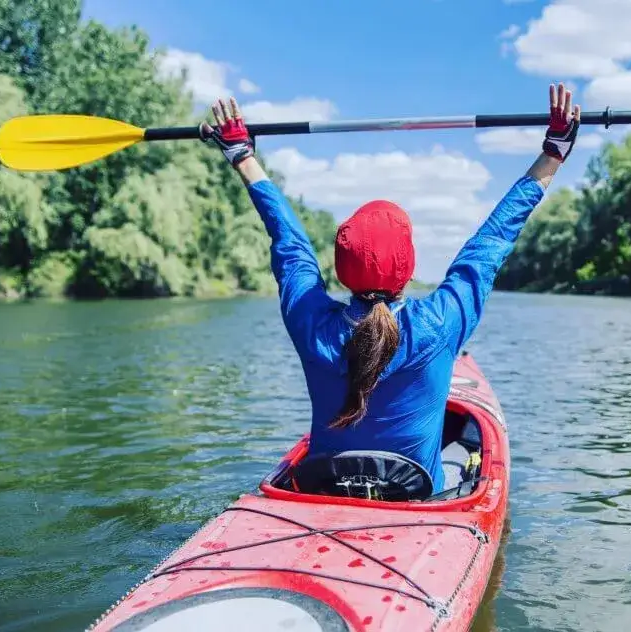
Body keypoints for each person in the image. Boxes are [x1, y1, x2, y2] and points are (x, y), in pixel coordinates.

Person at [200, 84, 581, 495]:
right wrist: (554, 152)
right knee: (462, 448)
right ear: (408, 267)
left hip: (324, 488)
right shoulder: (440, 321)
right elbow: (491, 241)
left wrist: (242, 155)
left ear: (342, 268)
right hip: (415, 494)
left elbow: (289, 243)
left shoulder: (310, 322)